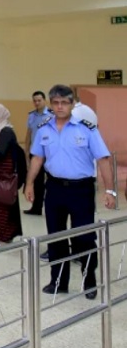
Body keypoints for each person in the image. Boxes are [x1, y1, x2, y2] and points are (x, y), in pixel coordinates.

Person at [25, 84, 115, 300]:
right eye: (56, 103)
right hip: (54, 188)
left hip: (81, 190)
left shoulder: (86, 129)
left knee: (84, 237)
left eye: (64, 103)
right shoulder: (44, 128)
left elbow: (103, 159)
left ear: (72, 104)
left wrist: (110, 190)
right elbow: (37, 158)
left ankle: (89, 280)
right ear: (51, 104)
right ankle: (58, 281)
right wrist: (29, 184)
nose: (60, 107)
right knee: (56, 237)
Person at [0, 104, 25, 244]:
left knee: (3, 207)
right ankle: (2, 236)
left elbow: (0, 153)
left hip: (5, 176)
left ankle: (5, 236)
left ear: (0, 115)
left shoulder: (5, 131)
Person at [24, 91, 50, 216]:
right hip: (36, 153)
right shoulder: (31, 116)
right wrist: (26, 150)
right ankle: (36, 207)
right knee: (37, 182)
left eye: (39, 100)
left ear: (44, 100)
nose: (37, 103)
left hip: (49, 153)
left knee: (51, 181)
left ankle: (50, 206)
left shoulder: (51, 115)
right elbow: (29, 134)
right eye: (35, 101)